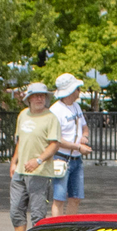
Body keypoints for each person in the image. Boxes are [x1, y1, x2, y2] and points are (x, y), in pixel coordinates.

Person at [6, 81, 59, 231]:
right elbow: (20, 140)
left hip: (40, 173)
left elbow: (54, 144)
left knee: (37, 215)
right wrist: (14, 161)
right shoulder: (23, 115)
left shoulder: (50, 118)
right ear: (29, 98)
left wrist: (38, 160)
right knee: (16, 211)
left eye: (42, 96)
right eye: (35, 96)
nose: (39, 99)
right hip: (20, 172)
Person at [49, 73, 91, 216]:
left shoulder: (76, 106)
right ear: (70, 91)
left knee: (76, 197)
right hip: (60, 158)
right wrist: (78, 147)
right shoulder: (55, 110)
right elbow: (56, 139)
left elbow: (85, 127)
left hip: (77, 159)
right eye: (77, 88)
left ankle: (70, 227)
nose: (79, 91)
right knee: (59, 198)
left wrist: (84, 137)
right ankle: (58, 230)